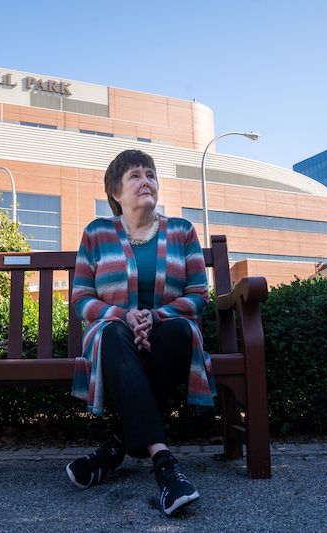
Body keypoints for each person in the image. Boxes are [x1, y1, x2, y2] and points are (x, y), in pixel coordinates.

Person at [66, 149, 215, 516]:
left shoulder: (181, 231)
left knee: (183, 331)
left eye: (150, 174)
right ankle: (165, 467)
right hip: (115, 339)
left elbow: (199, 294)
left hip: (166, 337)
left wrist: (154, 316)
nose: (146, 180)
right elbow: (82, 297)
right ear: (116, 191)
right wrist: (124, 316)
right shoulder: (97, 233)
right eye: (135, 175)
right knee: (112, 334)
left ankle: (114, 450)